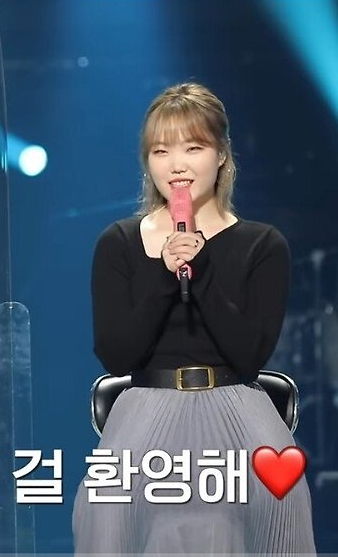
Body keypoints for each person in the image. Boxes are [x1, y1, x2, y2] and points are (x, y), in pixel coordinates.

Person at [71, 82, 317, 554]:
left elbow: (250, 354)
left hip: (236, 406)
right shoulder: (118, 242)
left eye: (193, 148)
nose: (177, 165)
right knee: (105, 509)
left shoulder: (263, 244)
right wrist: (165, 277)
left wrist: (200, 273)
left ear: (222, 155)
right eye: (161, 151)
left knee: (274, 502)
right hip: (146, 407)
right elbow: (117, 354)